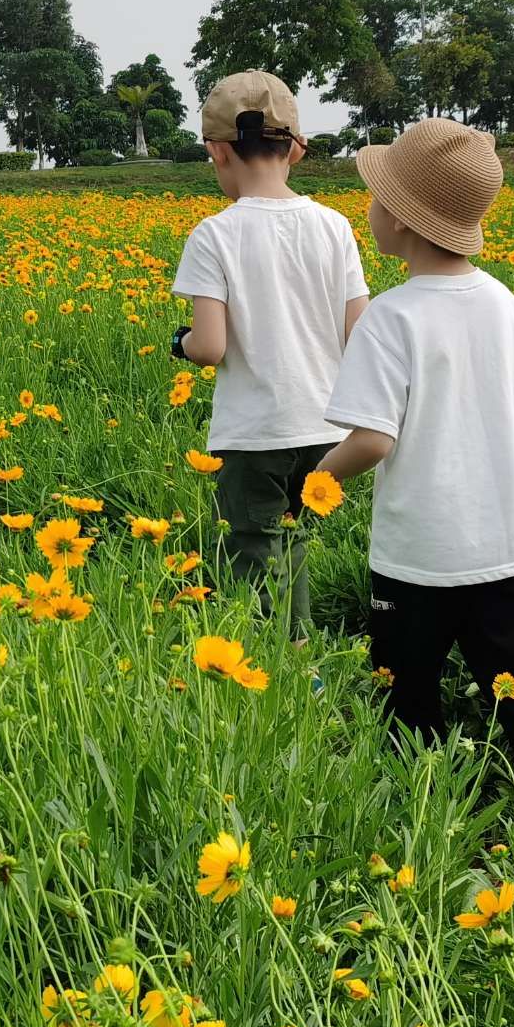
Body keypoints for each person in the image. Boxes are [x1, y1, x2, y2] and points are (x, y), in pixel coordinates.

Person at [313, 116, 514, 851]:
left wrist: (314, 482)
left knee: (405, 684)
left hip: (420, 555)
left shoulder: (390, 317)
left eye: (374, 195)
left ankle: (426, 815)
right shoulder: (498, 299)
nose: (367, 207)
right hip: (513, 542)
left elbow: (372, 439)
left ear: (397, 218)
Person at [171, 70, 367, 641]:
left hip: (256, 431)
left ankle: (284, 662)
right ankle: (299, 647)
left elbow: (209, 347)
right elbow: (360, 333)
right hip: (325, 424)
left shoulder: (214, 234)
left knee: (253, 548)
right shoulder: (335, 226)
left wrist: (180, 343)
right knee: (293, 535)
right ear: (297, 149)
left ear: (218, 151)